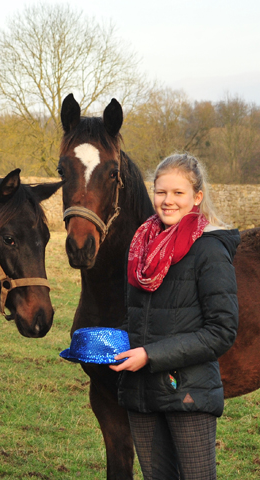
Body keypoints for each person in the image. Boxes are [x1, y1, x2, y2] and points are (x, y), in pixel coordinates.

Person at [110, 153, 239, 480]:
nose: (167, 201)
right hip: (142, 392)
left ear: (196, 197)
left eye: (178, 193)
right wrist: (104, 343)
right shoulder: (141, 245)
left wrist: (149, 354)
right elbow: (140, 317)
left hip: (188, 393)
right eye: (161, 192)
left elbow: (221, 331)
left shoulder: (210, 250)